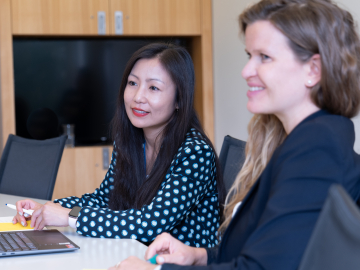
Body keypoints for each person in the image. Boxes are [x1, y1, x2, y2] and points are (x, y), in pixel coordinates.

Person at [108, 0, 360, 269]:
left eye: (264, 57)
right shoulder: (302, 140)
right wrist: (199, 255)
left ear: (313, 70)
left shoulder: (317, 150)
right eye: (249, 56)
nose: (246, 71)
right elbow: (266, 251)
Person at [13, 43, 225, 247]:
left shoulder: (195, 153)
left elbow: (148, 224)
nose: (137, 97)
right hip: (137, 256)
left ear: (179, 100)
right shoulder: (132, 143)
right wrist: (51, 208)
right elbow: (105, 199)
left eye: (153, 87)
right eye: (132, 83)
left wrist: (68, 216)